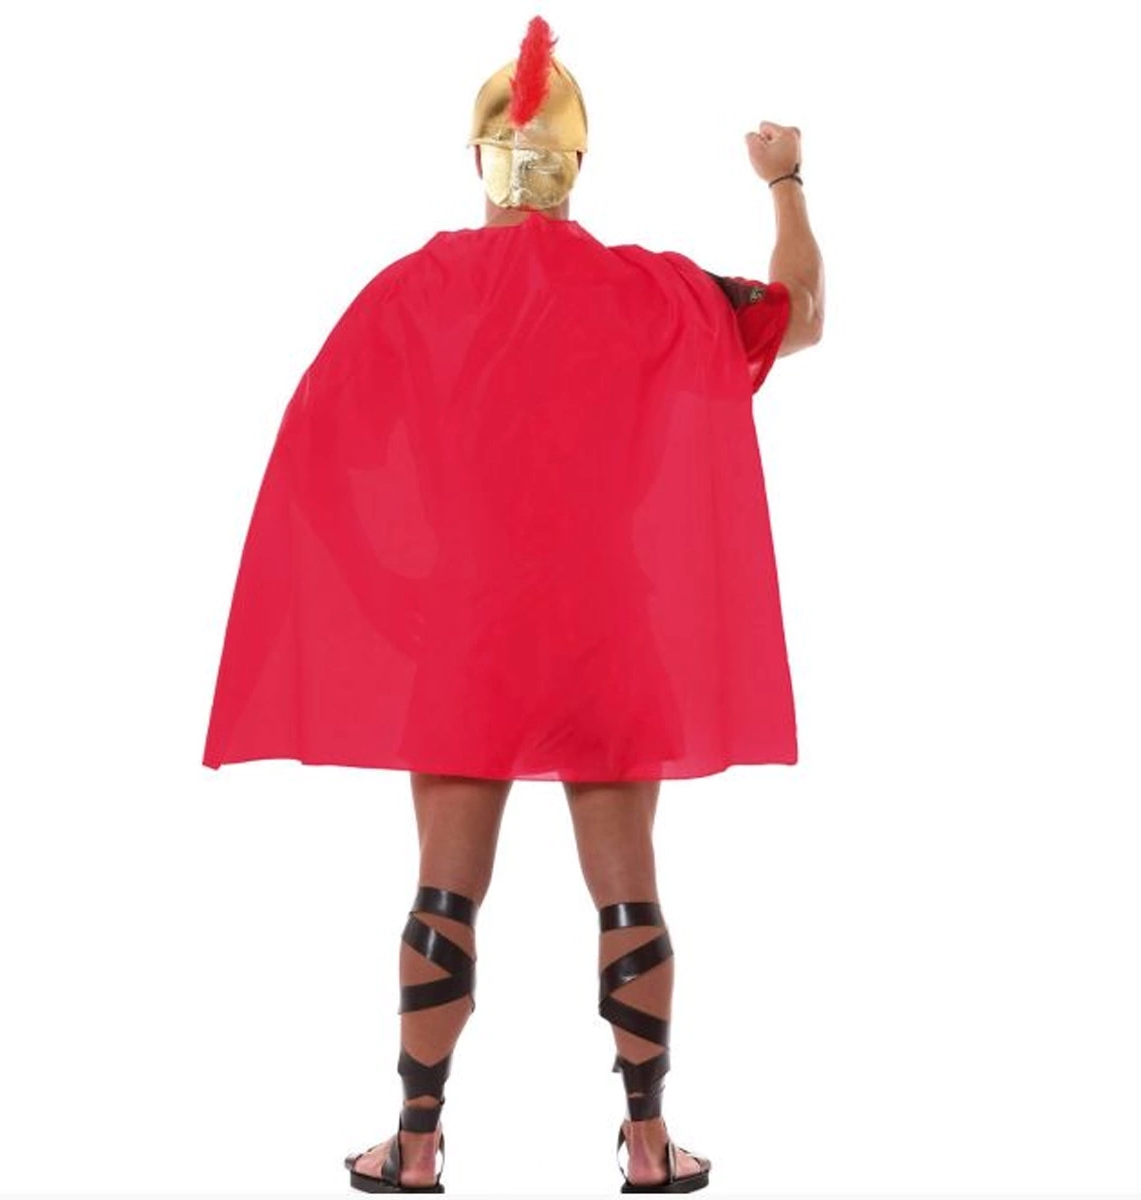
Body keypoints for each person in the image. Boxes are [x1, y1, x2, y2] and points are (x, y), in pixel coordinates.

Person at [201, 15, 824, 1193]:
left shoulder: (410, 293)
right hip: (610, 633)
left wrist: (398, 597)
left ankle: (414, 1144)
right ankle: (649, 1145)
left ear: (475, 160)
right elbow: (803, 308)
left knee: (445, 886)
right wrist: (785, 183)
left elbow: (322, 456)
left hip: (468, 633)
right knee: (627, 884)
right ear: (577, 164)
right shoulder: (659, 292)